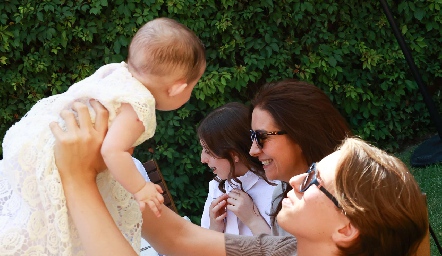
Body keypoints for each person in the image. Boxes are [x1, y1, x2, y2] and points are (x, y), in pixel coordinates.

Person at [52, 101, 428, 256]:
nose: (297, 181)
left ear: (346, 229)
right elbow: (179, 237)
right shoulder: (284, 250)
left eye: (314, 180)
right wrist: (119, 169)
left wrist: (76, 180)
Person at [0, 17, 206, 255]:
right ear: (178, 87)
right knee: (53, 224)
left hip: (38, 137)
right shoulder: (140, 106)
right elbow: (112, 151)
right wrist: (140, 188)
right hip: (59, 158)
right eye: (193, 86)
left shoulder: (116, 73)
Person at [248, 79, 353, 236]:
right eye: (252, 136)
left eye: (261, 136)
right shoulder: (281, 194)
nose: (252, 150)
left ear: (301, 135)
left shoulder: (349, 200)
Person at [198, 102, 277, 235]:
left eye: (208, 151)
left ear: (234, 154)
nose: (203, 159)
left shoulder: (276, 188)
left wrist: (253, 220)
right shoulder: (216, 187)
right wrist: (215, 229)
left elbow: (288, 251)